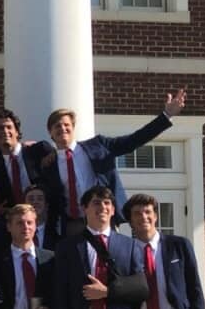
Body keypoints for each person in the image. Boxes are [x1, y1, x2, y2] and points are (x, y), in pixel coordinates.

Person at [36, 89, 188, 235]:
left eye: (66, 125)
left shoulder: (99, 146)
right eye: (57, 126)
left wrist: (166, 115)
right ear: (50, 132)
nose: (62, 129)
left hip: (104, 219)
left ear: (73, 128)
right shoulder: (49, 164)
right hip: (72, 226)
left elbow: (134, 140)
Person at [0, 109, 44, 210]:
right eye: (0, 128)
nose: (5, 131)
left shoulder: (35, 152)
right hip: (10, 216)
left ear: (17, 132)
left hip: (38, 214)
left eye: (9, 127)